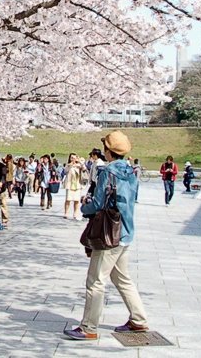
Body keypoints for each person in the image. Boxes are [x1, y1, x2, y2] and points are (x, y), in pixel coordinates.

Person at [64, 131, 149, 341]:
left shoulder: (107, 172)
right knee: (122, 278)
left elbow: (98, 203)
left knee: (95, 280)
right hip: (126, 231)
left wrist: (84, 207)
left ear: (108, 151)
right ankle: (139, 320)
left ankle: (89, 327)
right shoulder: (131, 171)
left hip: (109, 234)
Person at [63, 153, 86, 220]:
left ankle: (75, 213)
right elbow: (65, 171)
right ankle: (66, 212)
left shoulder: (79, 165)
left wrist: (80, 162)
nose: (73, 159)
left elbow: (84, 169)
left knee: (76, 200)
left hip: (77, 184)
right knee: (68, 199)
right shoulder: (68, 165)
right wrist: (71, 165)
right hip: (69, 184)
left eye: (74, 157)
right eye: (71, 157)